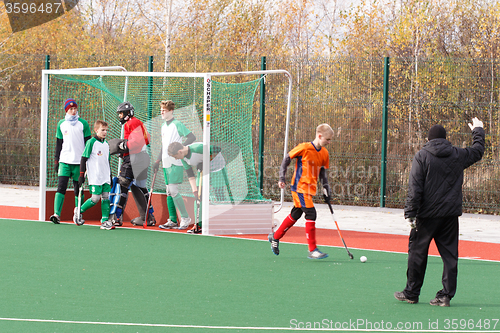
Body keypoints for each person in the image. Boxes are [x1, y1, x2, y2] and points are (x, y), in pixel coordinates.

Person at [394, 117, 485, 307]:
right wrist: (478, 130)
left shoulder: (422, 156)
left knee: (417, 253)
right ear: (446, 139)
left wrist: (410, 213)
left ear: (428, 140)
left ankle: (411, 292)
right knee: (450, 256)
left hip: (426, 216)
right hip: (450, 215)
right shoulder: (457, 154)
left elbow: (415, 187)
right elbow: (477, 151)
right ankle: (445, 296)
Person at [268, 124, 334, 259]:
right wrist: (282, 177)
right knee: (311, 213)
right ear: (319, 136)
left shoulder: (324, 153)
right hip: (299, 187)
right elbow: (287, 159)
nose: (329, 142)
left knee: (296, 213)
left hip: (310, 189)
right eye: (327, 139)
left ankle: (275, 237)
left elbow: (323, 173)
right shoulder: (304, 147)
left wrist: (326, 189)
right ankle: (312, 249)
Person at [108, 101, 156, 227]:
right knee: (140, 187)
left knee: (122, 185)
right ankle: (148, 217)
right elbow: (147, 138)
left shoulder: (132, 122)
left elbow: (137, 141)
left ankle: (116, 217)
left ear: (128, 113)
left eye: (121, 113)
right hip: (141, 157)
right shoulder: (137, 122)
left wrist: (123, 146)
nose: (120, 116)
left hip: (133, 159)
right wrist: (124, 152)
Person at [153, 100, 196, 230]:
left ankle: (185, 218)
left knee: (173, 190)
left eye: (164, 110)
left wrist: (181, 148)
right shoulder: (163, 126)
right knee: (169, 192)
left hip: (175, 162)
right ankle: (172, 220)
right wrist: (158, 160)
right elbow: (164, 145)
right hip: (166, 162)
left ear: (171, 111)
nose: (161, 112)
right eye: (161, 110)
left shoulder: (177, 124)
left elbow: (191, 137)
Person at [167, 141, 227, 233]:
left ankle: (224, 223)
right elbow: (190, 175)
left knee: (219, 195)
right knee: (198, 198)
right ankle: (199, 225)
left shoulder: (198, 148)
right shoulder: (183, 158)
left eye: (175, 157)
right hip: (203, 170)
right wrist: (195, 190)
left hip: (216, 167)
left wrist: (207, 161)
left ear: (180, 151)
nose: (175, 159)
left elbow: (217, 149)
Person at [50, 98, 91, 224]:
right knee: (61, 187)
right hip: (65, 162)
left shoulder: (83, 124)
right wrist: (56, 160)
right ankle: (56, 214)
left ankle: (78, 213)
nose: (73, 111)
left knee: (78, 189)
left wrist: (88, 162)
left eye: (75, 109)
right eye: (70, 109)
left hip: (79, 163)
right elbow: (59, 143)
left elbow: (88, 144)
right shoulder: (61, 124)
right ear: (66, 110)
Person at [73, 120, 113, 230]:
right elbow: (84, 158)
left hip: (105, 176)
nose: (105, 132)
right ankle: (79, 211)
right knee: (95, 199)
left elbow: (107, 161)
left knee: (106, 197)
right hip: (95, 176)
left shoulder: (106, 144)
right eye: (102, 130)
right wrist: (81, 175)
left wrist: (110, 176)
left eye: (106, 130)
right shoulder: (91, 142)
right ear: (96, 130)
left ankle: (105, 221)